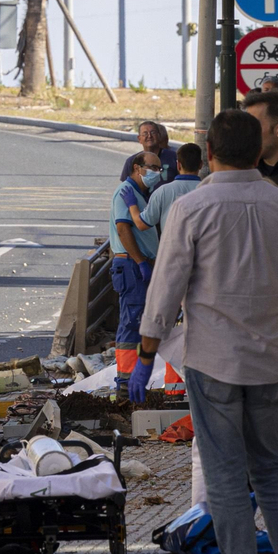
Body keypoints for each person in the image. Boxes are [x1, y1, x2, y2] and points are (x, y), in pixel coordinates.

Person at [135, 108, 278, 554]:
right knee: (272, 468)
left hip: (212, 359)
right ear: (259, 152)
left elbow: (166, 287)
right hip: (270, 360)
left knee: (224, 472)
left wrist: (147, 351)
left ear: (210, 153)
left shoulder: (192, 208)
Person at [111, 151, 162, 391]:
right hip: (132, 265)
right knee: (132, 322)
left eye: (159, 169)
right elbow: (123, 230)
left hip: (140, 264)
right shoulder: (125, 193)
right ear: (136, 168)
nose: (157, 173)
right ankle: (125, 382)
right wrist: (141, 261)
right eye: (152, 168)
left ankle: (134, 379)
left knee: (141, 322)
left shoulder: (141, 195)